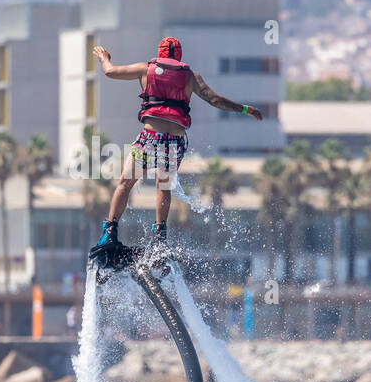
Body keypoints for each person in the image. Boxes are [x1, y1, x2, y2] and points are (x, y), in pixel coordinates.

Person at [88, 37, 262, 266]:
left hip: (150, 137)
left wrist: (104, 58)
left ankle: (110, 232)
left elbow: (110, 72)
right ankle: (159, 238)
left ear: (159, 53)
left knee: (124, 183)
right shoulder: (190, 76)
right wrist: (245, 109)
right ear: (179, 55)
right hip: (174, 142)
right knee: (164, 187)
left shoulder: (146, 69)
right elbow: (214, 99)